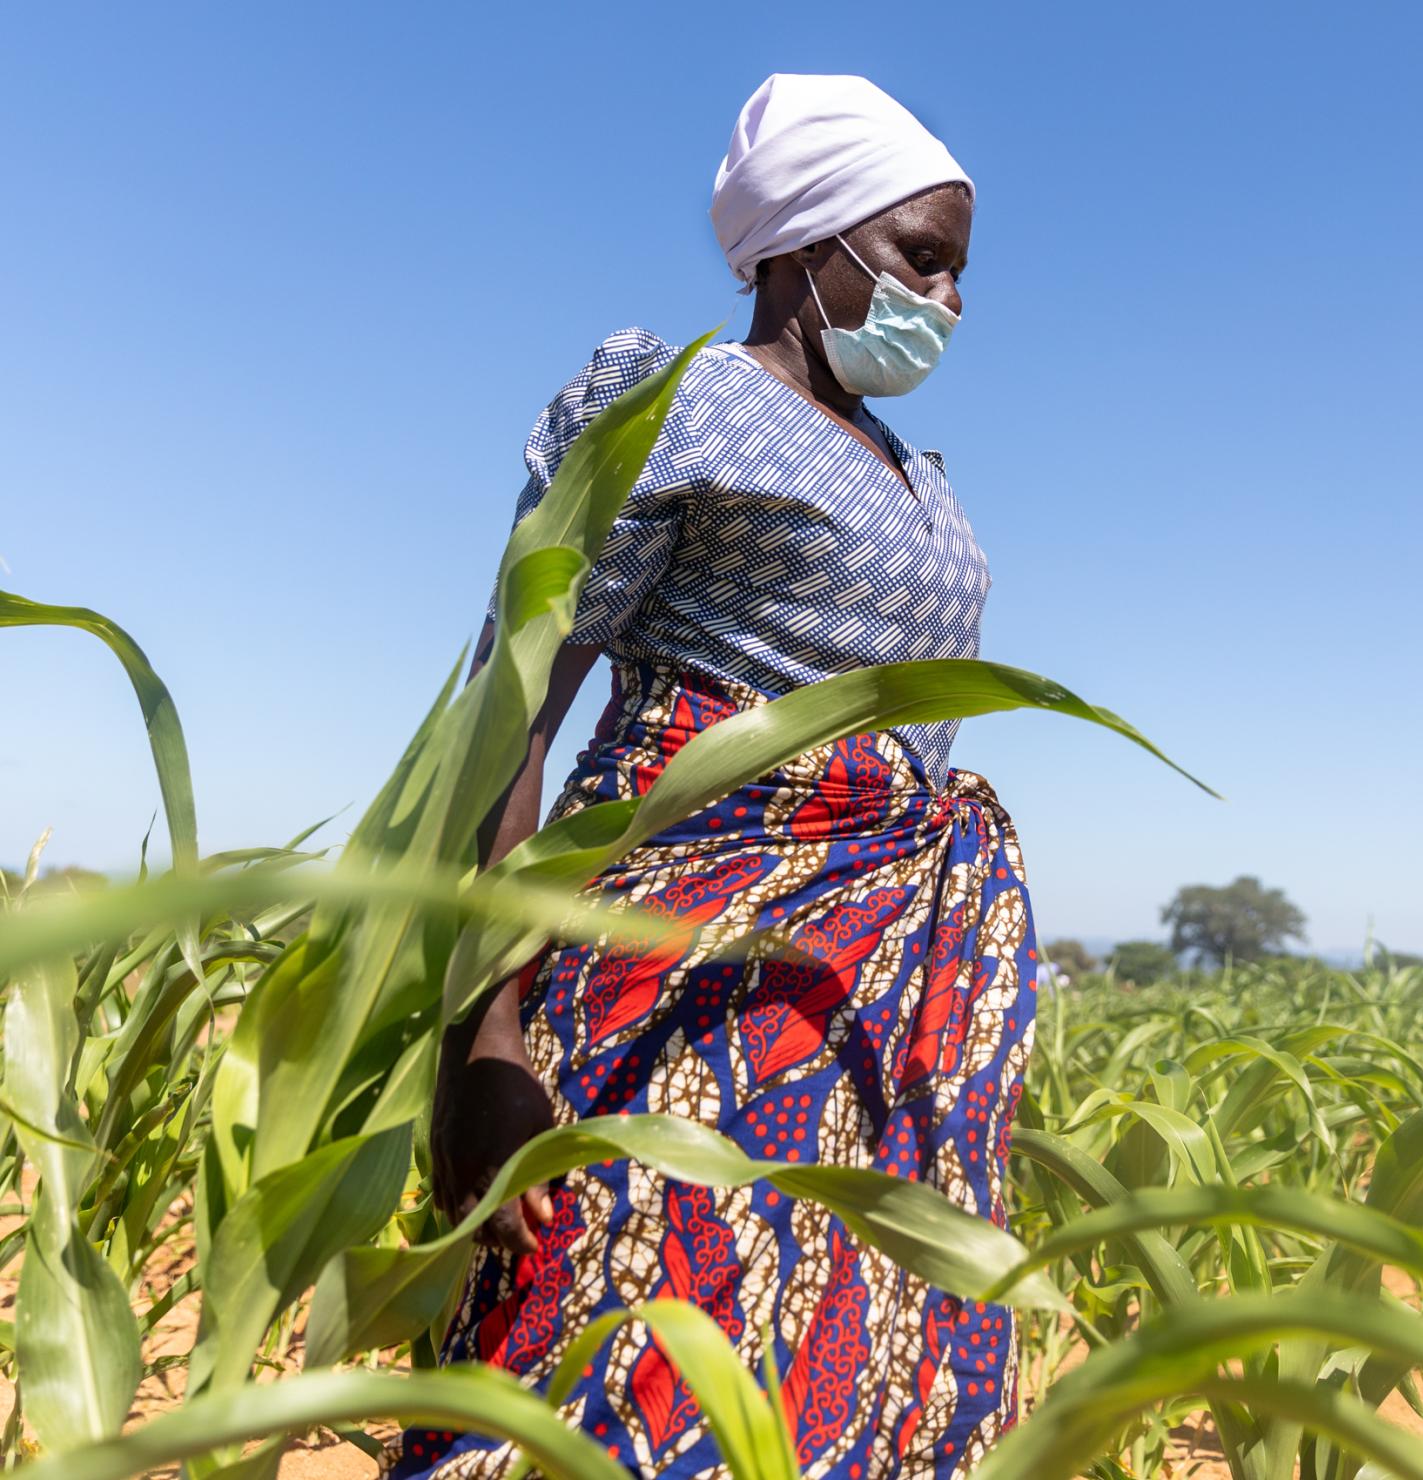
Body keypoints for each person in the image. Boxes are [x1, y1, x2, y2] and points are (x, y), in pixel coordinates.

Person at [392, 74, 1039, 1480]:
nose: (950, 300)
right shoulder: (676, 402)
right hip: (685, 961)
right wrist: (479, 1040)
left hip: (870, 997)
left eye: (959, 271)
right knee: (632, 1308)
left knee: (838, 1348)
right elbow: (520, 713)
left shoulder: (915, 472)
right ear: (813, 243)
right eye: (924, 258)